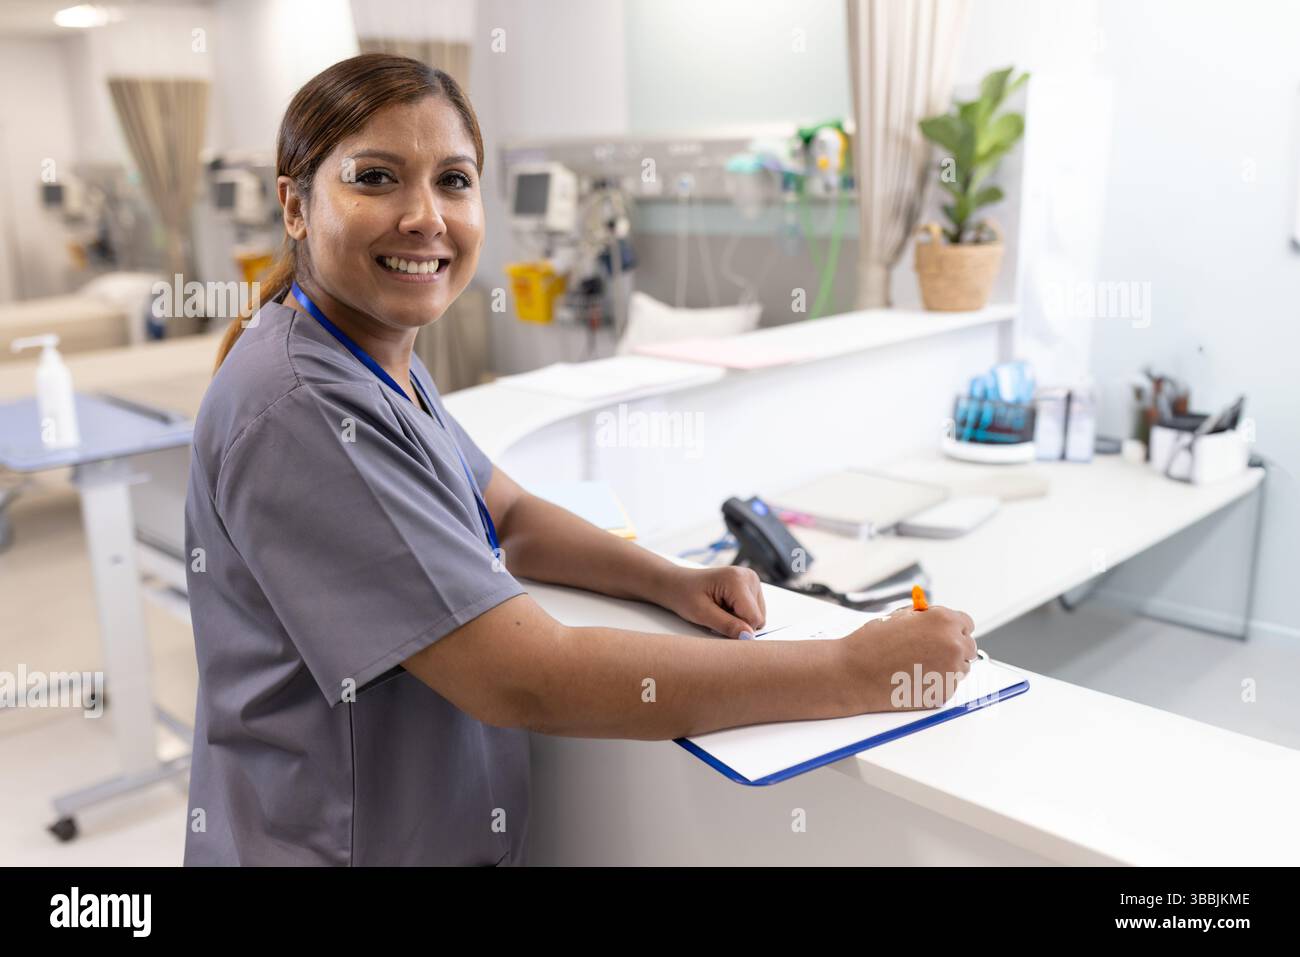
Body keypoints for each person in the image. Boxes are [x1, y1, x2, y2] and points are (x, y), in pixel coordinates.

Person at [183, 53, 976, 866]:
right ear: (295, 205)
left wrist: (667, 579)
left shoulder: (373, 357)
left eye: (454, 180)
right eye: (377, 177)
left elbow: (510, 514)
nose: (425, 216)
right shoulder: (303, 408)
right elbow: (524, 674)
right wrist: (852, 670)